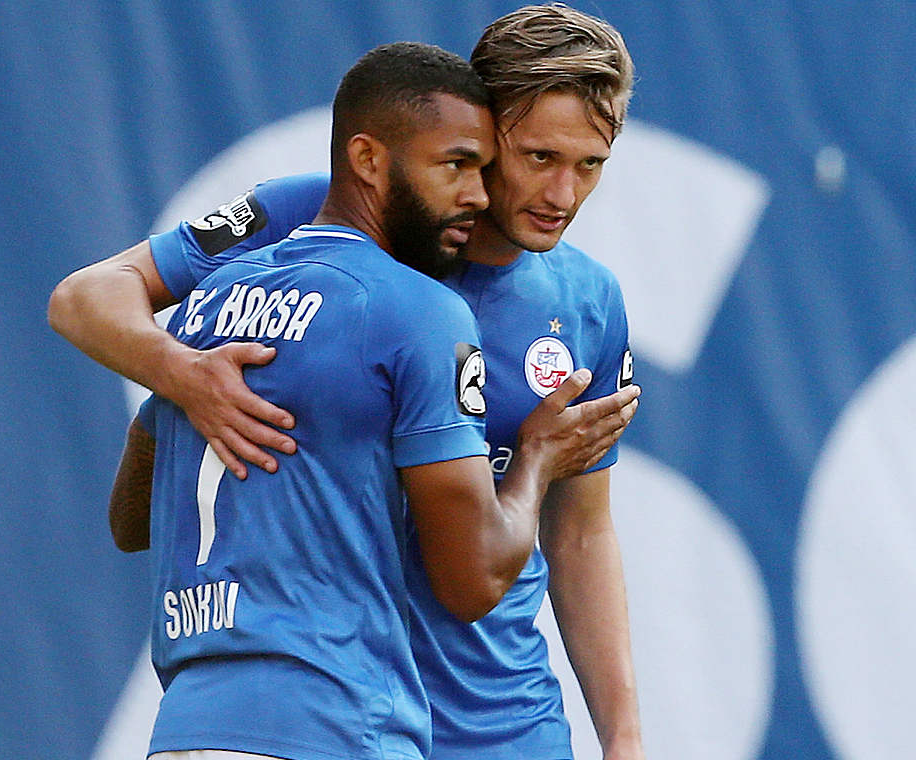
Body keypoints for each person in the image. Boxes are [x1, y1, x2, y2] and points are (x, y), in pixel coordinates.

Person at [50, 7, 646, 759]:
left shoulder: (590, 302)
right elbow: (86, 296)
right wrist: (186, 375)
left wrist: (624, 738)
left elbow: (583, 532)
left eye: (588, 165)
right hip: (342, 711)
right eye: (539, 157)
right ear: (485, 129)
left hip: (503, 725)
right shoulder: (310, 214)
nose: (562, 193)